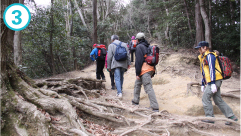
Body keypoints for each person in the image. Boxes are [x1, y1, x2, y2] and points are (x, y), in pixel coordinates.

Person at [195, 41, 238, 124]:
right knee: (218, 100)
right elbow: (204, 72)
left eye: (200, 48)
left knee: (205, 98)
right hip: (213, 81)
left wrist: (212, 83)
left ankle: (210, 118)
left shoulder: (210, 56)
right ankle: (231, 117)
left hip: (214, 81)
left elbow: (211, 70)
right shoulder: (203, 57)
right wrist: (203, 83)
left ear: (205, 48)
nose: (198, 50)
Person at [131, 32, 159, 112]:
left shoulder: (139, 47)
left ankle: (155, 107)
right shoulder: (148, 46)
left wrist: (137, 73)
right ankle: (135, 101)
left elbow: (138, 61)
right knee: (137, 84)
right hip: (150, 69)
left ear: (137, 40)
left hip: (144, 70)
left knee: (148, 88)